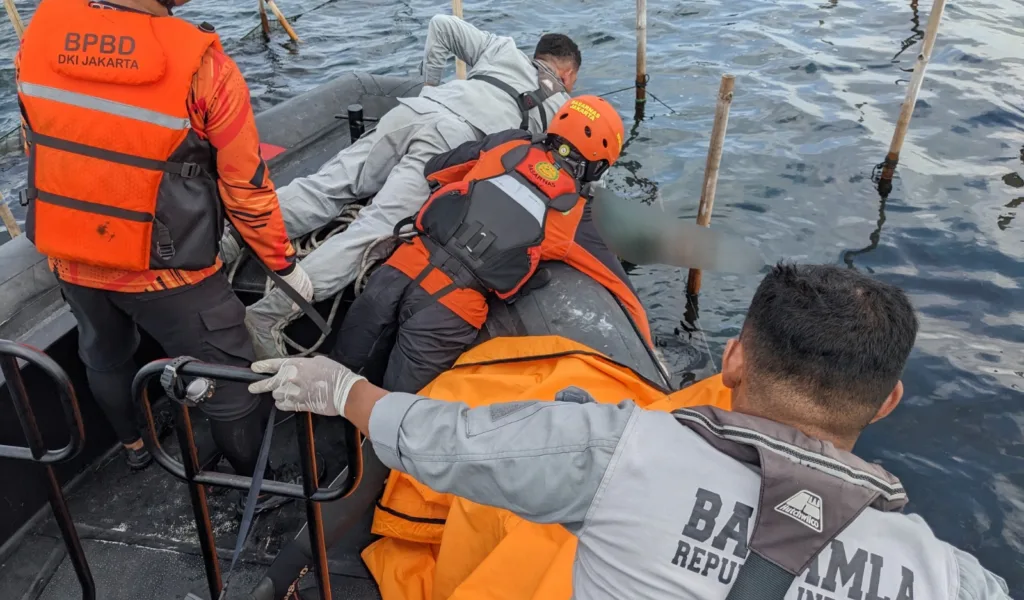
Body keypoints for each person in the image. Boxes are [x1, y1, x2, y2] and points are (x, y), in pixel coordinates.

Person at [250, 264, 1011, 599]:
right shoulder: (952, 579)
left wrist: (341, 389)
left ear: (734, 360)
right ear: (886, 402)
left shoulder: (623, 453)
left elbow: (446, 442)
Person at [15, 0, 312, 499]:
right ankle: (254, 486)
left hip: (73, 256)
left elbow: (38, 144)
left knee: (103, 353)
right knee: (229, 379)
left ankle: (135, 447)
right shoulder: (204, 67)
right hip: (170, 271)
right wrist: (282, 263)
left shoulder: (37, 40)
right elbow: (246, 188)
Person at [237, 16, 582, 359]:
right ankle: (270, 314)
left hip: (415, 111)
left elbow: (442, 25)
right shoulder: (561, 110)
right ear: (567, 75)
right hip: (451, 141)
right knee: (374, 228)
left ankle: (234, 234)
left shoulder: (502, 49)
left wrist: (429, 86)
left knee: (327, 185)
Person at [333, 95, 651, 393]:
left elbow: (437, 169)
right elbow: (621, 290)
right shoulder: (578, 216)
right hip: (450, 310)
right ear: (599, 165)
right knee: (395, 404)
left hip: (398, 271)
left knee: (339, 370)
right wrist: (650, 355)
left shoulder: (509, 142)